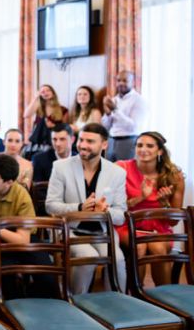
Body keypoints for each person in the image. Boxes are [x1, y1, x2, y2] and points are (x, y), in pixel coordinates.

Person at [45, 123, 127, 294]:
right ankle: (77, 301)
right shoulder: (60, 167)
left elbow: (120, 216)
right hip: (70, 229)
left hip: (102, 232)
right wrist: (80, 207)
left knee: (118, 260)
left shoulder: (117, 172)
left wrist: (105, 210)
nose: (82, 145)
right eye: (81, 139)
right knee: (87, 257)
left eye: (90, 141)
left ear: (104, 144)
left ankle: (115, 303)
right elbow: (50, 205)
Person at [0, 154, 56, 298]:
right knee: (4, 275)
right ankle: (9, 311)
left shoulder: (21, 196)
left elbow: (23, 240)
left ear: (9, 182)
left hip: (21, 237)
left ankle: (39, 307)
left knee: (46, 275)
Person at [115, 132, 184, 286]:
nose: (143, 149)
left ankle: (164, 296)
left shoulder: (174, 176)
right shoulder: (121, 168)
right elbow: (112, 208)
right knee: (139, 246)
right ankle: (136, 295)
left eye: (149, 146)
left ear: (160, 151)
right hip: (127, 226)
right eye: (139, 145)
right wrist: (140, 198)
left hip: (158, 229)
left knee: (158, 247)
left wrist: (165, 203)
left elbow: (173, 222)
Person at [102, 70, 147, 161]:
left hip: (128, 141)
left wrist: (115, 110)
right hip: (111, 140)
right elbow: (105, 127)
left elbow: (133, 126)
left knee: (125, 172)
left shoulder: (139, 100)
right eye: (118, 80)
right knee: (109, 172)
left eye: (125, 80)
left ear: (133, 82)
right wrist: (108, 114)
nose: (121, 83)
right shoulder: (114, 100)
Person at [24, 84, 69, 157]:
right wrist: (35, 98)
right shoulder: (38, 108)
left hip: (54, 142)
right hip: (38, 143)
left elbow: (66, 128)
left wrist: (54, 126)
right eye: (43, 92)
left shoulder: (63, 110)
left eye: (48, 90)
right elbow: (26, 115)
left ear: (53, 93)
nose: (46, 93)